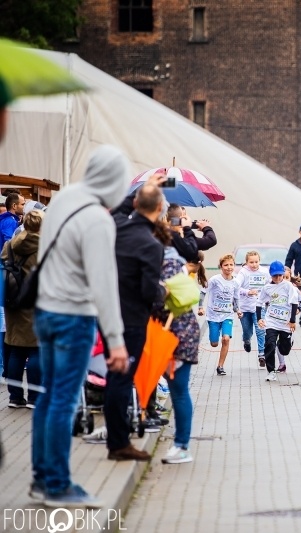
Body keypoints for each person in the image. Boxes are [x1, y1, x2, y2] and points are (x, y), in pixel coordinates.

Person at [33, 145, 130, 508]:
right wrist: (116, 342)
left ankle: (42, 478)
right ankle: (58, 485)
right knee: (62, 399)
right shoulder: (98, 220)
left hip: (44, 310)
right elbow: (103, 284)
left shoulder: (64, 199)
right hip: (74, 315)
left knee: (48, 395)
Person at [105, 179, 166, 462]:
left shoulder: (117, 228)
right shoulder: (151, 245)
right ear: (161, 208)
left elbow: (119, 207)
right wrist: (163, 293)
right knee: (121, 379)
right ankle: (118, 444)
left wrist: (142, 190)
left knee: (113, 378)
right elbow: (148, 291)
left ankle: (117, 438)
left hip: (107, 313)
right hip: (132, 319)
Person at [151, 223, 202, 465]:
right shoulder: (169, 262)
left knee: (179, 390)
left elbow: (160, 300)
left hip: (178, 335)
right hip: (176, 333)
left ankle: (182, 445)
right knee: (176, 389)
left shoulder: (166, 265)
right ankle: (181, 444)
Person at [1, 209, 44, 408]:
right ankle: (35, 397)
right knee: (36, 349)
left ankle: (15, 397)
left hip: (12, 302)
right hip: (35, 302)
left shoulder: (10, 245)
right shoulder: (44, 247)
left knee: (16, 348)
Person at [198, 254, 241, 376]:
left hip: (227, 315)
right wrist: (201, 307)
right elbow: (203, 292)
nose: (229, 267)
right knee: (214, 343)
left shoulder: (235, 282)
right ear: (221, 267)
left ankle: (220, 366)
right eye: (226, 265)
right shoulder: (215, 280)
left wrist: (238, 310)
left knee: (226, 339)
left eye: (231, 265)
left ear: (234, 266)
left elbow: (236, 299)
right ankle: (214, 339)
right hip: (213, 316)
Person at [256, 261, 299, 381]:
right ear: (271, 275)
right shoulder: (267, 288)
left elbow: (294, 302)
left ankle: (287, 341)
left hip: (285, 322)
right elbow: (259, 303)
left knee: (284, 350)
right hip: (271, 321)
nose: (278, 278)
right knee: (269, 344)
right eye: (275, 276)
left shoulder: (288, 286)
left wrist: (292, 321)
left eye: (280, 275)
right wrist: (260, 318)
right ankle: (271, 371)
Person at [236, 250, 269, 367]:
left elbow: (271, 285)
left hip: (259, 306)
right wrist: (247, 292)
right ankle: (246, 341)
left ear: (259, 261)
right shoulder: (243, 273)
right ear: (246, 262)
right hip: (245, 307)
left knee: (261, 330)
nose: (254, 264)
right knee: (247, 331)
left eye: (256, 262)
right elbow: (236, 288)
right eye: (251, 262)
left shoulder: (264, 272)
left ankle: (261, 354)